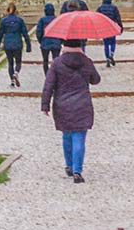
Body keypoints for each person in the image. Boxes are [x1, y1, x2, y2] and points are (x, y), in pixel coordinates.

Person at [40, 37, 102, 183]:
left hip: (62, 104)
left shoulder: (57, 63)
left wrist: (45, 105)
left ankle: (68, 165)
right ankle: (77, 171)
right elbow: (96, 80)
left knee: (67, 135)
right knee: (79, 137)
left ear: (63, 46)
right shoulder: (86, 61)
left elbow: (48, 85)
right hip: (82, 103)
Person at [0, 3, 32, 88]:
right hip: (17, 43)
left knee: (10, 63)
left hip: (8, 43)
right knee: (18, 62)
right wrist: (28, 46)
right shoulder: (20, 20)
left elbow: (0, 35)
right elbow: (25, 33)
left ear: (7, 10)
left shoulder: (3, 21)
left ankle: (12, 81)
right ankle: (16, 73)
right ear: (15, 10)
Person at [94, 0, 123, 66]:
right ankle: (112, 54)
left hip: (104, 27)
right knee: (113, 42)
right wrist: (120, 27)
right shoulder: (114, 7)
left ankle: (107, 58)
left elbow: (96, 17)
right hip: (112, 26)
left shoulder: (100, 7)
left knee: (106, 44)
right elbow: (118, 18)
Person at [33, 2, 59, 72]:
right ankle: (55, 75)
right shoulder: (57, 19)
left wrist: (41, 41)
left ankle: (47, 76)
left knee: (45, 61)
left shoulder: (42, 20)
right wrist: (60, 41)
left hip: (45, 42)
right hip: (56, 42)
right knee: (56, 61)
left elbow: (39, 32)